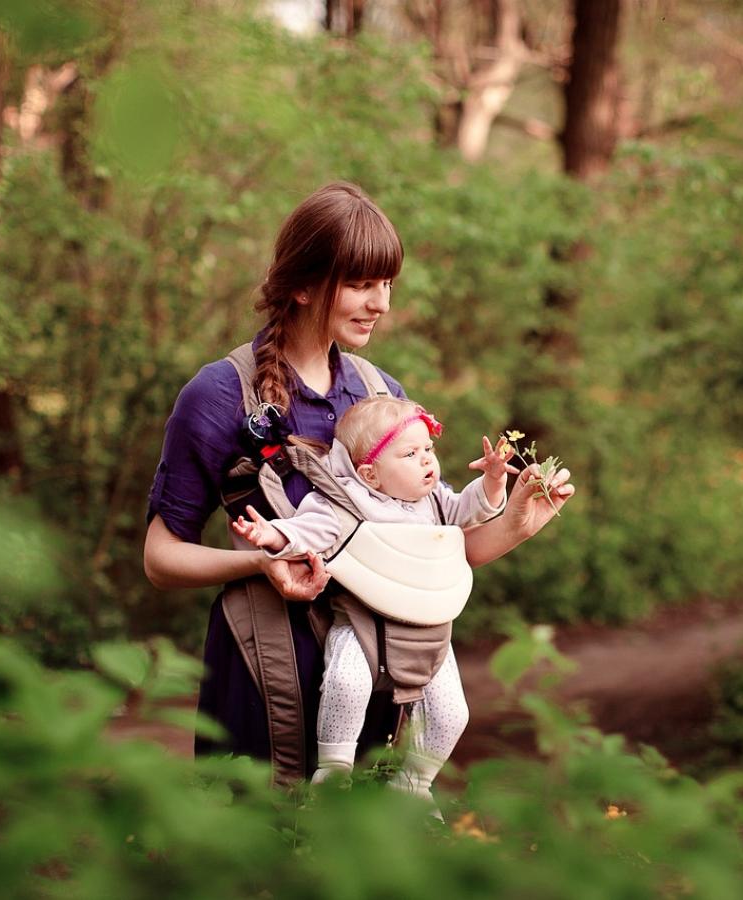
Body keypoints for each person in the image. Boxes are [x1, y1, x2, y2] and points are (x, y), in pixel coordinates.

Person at [143, 181, 574, 780]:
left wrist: (517, 523)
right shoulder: (219, 395)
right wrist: (259, 564)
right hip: (263, 662)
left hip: (377, 662)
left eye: (387, 284)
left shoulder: (381, 394)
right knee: (257, 849)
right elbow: (161, 558)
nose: (382, 304)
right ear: (300, 285)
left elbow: (429, 546)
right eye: (361, 284)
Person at [230, 396, 518, 793]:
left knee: (452, 715)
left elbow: (469, 510)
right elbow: (307, 531)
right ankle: (333, 773)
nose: (427, 461)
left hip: (430, 629)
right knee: (347, 685)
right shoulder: (345, 501)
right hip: (364, 624)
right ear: (370, 474)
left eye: (428, 449)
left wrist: (494, 481)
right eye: (411, 453)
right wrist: (273, 534)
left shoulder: (433, 501)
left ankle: (413, 787)